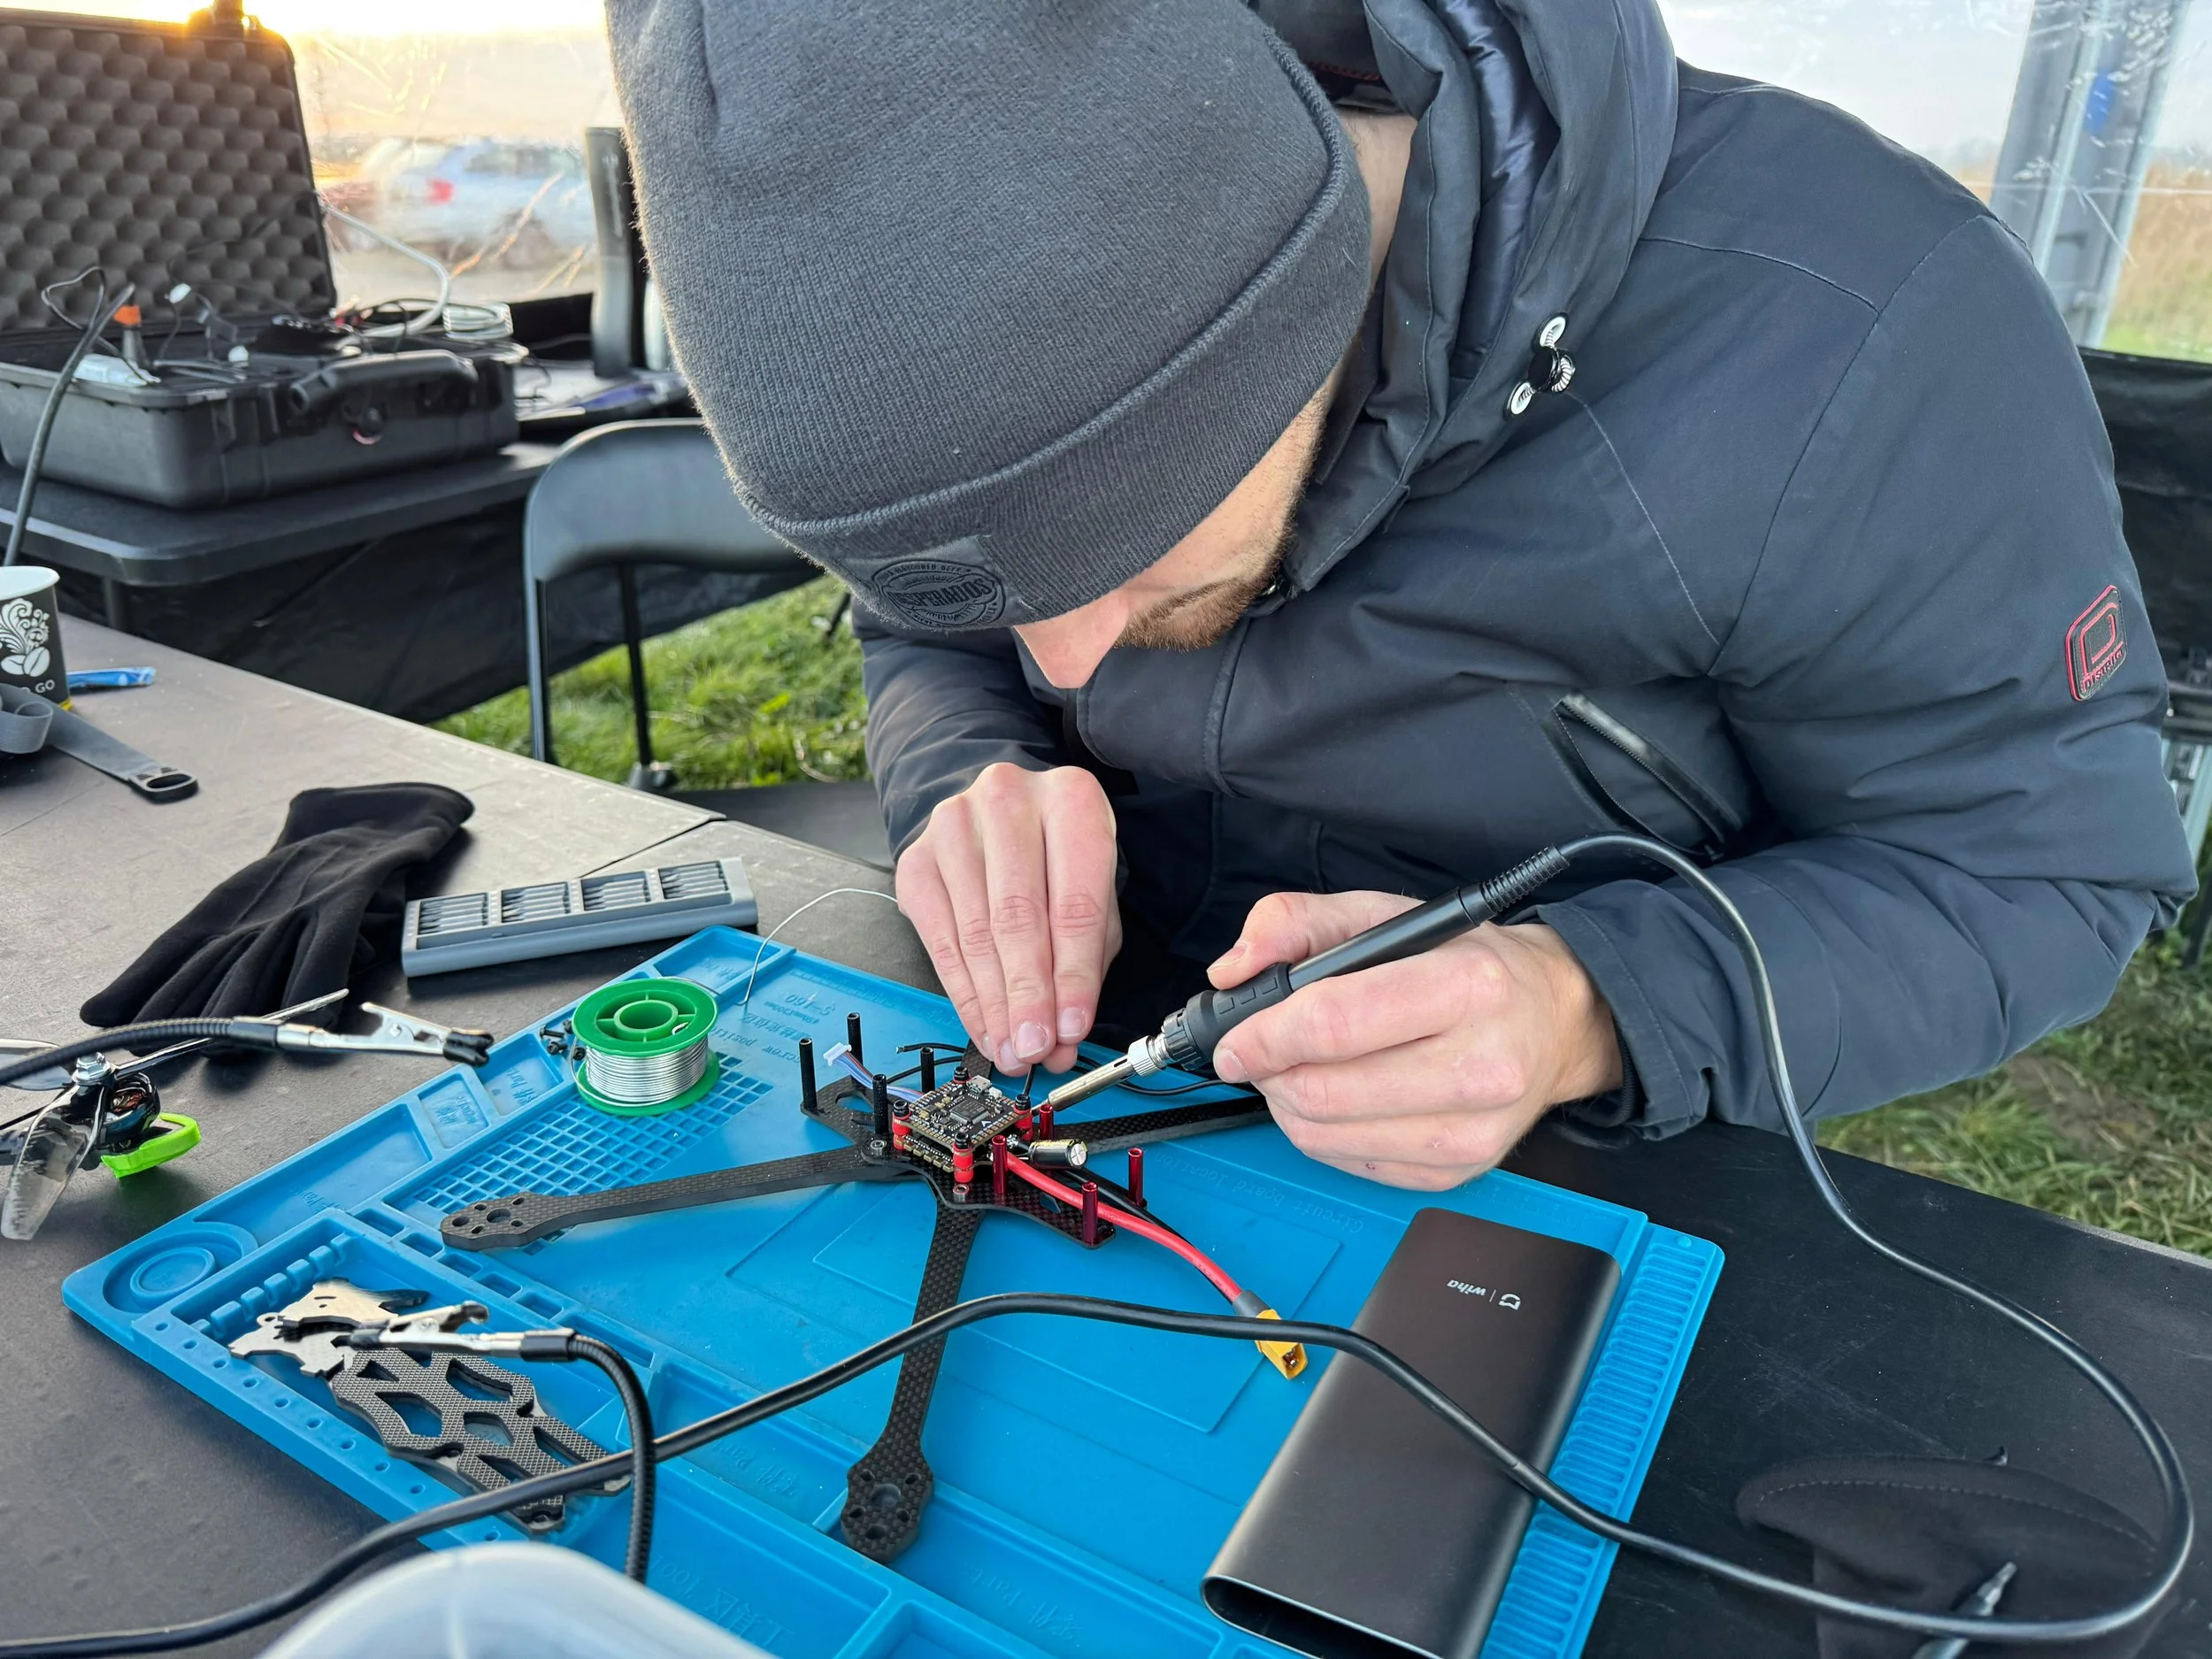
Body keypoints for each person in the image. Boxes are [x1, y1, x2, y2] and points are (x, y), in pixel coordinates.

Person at [611, 0, 2194, 1189]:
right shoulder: (1042, 465)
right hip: (1101, 1090)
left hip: (1568, 1160)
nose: (1071, 661)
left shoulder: (1867, 332)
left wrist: (1592, 1002)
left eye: (1119, 556)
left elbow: (2041, 869)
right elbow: (937, 618)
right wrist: (973, 761)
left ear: (1282, 315)